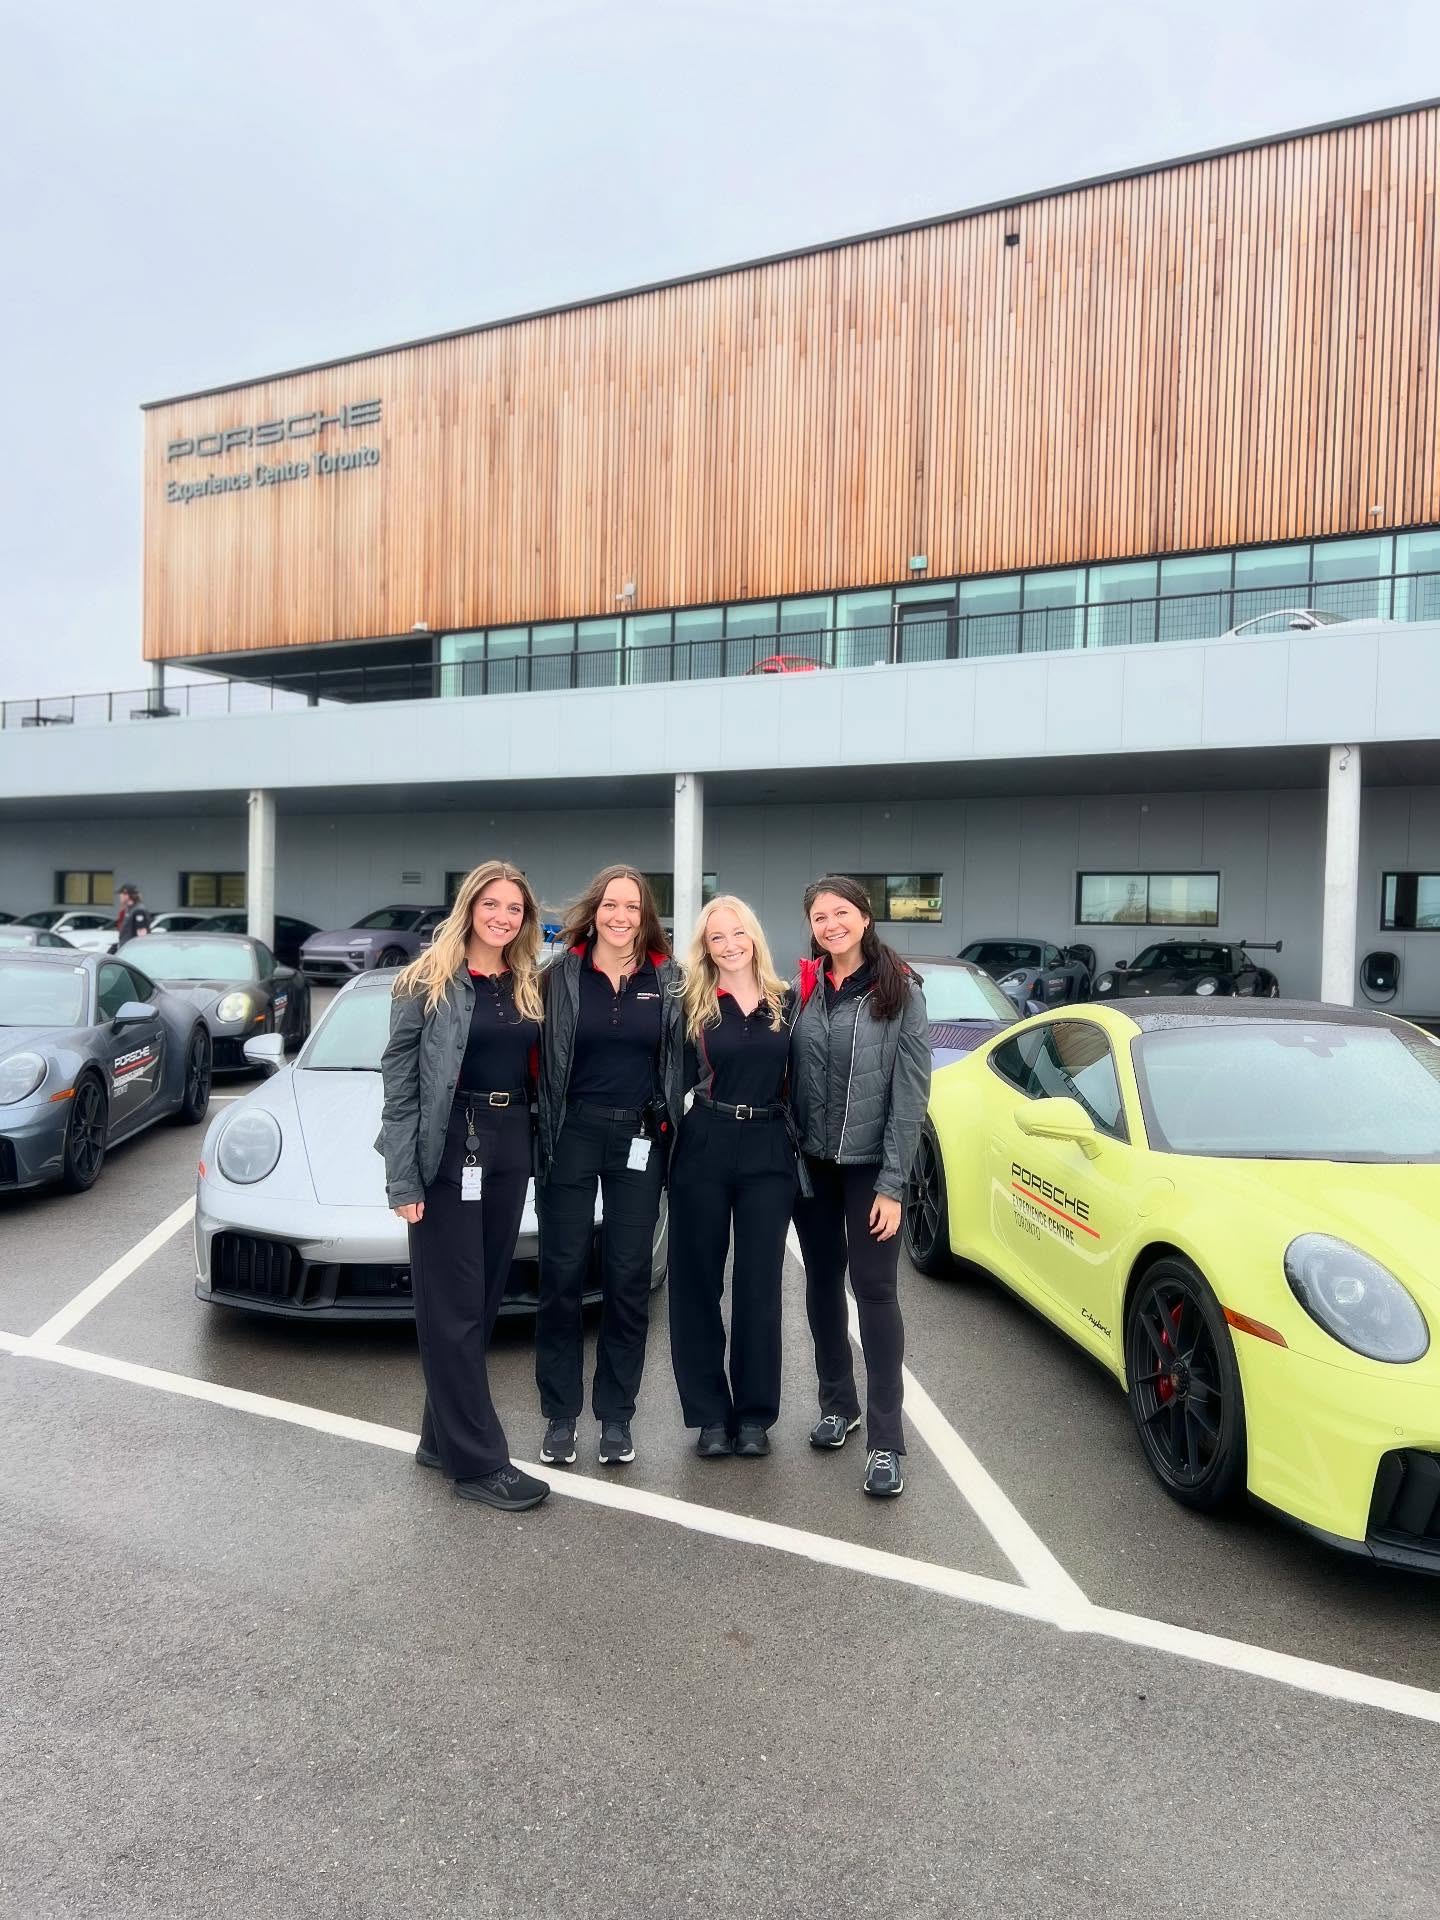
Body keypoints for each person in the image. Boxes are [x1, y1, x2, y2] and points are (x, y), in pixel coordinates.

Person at [377, 861, 550, 1512]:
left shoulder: (527, 982)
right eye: (493, 904)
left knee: (480, 1296)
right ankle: (478, 1463)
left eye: (515, 909)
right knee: (451, 1306)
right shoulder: (426, 981)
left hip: (508, 1144)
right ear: (469, 907)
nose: (503, 917)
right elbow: (398, 1084)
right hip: (449, 1144)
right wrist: (403, 1176)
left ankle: (438, 1437)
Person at [534, 865, 686, 1468]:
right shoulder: (560, 974)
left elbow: (693, 1053)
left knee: (627, 1280)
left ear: (645, 915)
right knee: (562, 1275)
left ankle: (617, 1417)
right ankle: (560, 1415)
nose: (620, 917)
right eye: (610, 905)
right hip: (571, 1131)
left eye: (632, 907)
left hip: (639, 1137)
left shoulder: (669, 979)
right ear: (594, 910)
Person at [788, 875, 931, 1498]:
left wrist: (894, 1184)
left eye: (841, 913)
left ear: (865, 918)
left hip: (873, 1167)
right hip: (812, 1167)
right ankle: (837, 1405)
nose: (831, 925)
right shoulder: (803, 988)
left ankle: (885, 1440)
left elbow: (911, 1095)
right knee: (820, 1285)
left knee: (874, 1294)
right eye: (820, 917)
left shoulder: (899, 989)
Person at [668, 896, 797, 1458]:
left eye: (737, 932)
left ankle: (753, 1416)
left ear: (754, 936)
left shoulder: (787, 1001)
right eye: (716, 937)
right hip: (705, 1142)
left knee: (758, 1285)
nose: (729, 944)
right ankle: (709, 1416)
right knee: (697, 1281)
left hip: (770, 1147)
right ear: (705, 946)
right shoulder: (690, 1003)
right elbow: (666, 1078)